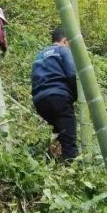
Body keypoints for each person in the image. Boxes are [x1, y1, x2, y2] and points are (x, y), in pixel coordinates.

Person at [31, 27, 79, 161]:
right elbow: (71, 73)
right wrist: (76, 95)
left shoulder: (40, 55)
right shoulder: (63, 50)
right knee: (69, 138)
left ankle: (55, 161)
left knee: (60, 132)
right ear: (65, 41)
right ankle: (72, 170)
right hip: (59, 96)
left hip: (40, 100)